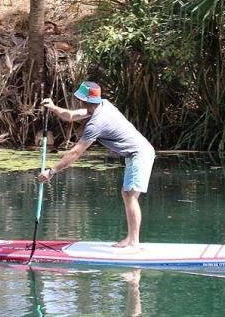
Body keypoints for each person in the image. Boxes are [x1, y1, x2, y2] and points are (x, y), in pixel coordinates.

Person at [37, 81, 156, 250]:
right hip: (134, 153)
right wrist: (54, 107)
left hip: (140, 153)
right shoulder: (102, 105)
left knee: (129, 194)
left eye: (80, 99)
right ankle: (131, 239)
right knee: (127, 194)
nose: (79, 102)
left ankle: (134, 242)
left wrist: (52, 170)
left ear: (83, 101)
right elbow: (71, 115)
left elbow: (76, 152)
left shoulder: (97, 123)